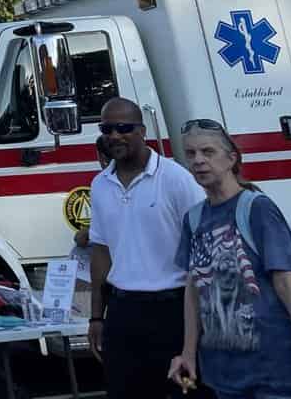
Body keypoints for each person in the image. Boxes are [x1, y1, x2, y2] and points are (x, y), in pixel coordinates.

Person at [168, 121, 291, 399]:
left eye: (208, 152)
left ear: (232, 158)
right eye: (191, 154)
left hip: (276, 371)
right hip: (224, 374)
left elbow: (287, 285)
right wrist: (187, 353)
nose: (198, 161)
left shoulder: (257, 208)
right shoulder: (193, 219)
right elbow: (193, 290)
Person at [87, 97, 205, 399]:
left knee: (185, 393)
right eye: (107, 129)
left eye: (124, 128)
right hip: (123, 313)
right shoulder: (100, 184)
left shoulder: (176, 179)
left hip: (174, 311)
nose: (114, 136)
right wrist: (96, 317)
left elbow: (203, 246)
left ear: (142, 131)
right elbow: (100, 251)